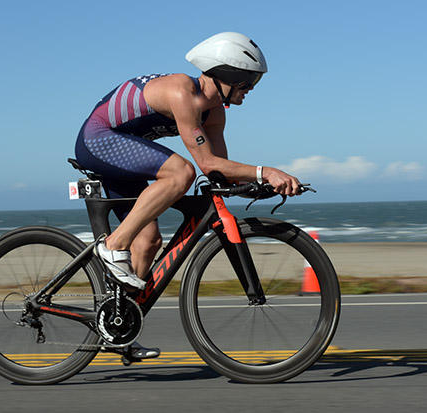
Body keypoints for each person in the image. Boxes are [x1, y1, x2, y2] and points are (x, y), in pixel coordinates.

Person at [74, 32, 302, 359]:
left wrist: (260, 184)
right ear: (227, 75)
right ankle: (113, 245)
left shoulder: (215, 113)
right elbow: (205, 163)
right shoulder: (182, 91)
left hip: (125, 154)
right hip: (99, 140)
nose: (251, 89)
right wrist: (265, 171)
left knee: (149, 242)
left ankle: (119, 327)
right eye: (247, 81)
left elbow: (219, 171)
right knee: (181, 172)